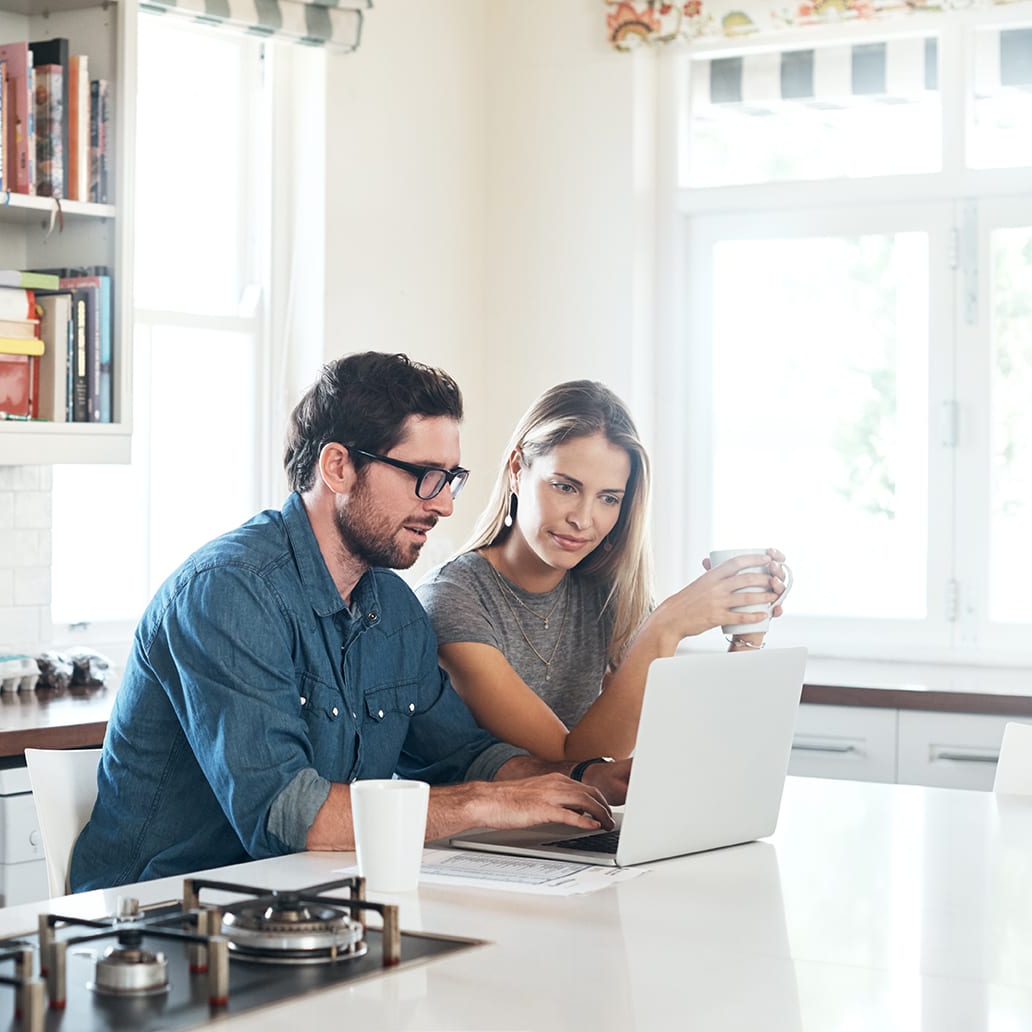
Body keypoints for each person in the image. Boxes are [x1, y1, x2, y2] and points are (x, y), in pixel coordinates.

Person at [69, 353, 622, 891]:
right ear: (338, 467)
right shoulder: (228, 592)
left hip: (305, 904)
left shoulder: (395, 610)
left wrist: (584, 779)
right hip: (156, 918)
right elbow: (288, 816)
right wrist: (484, 803)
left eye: (450, 478)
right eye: (424, 476)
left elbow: (461, 755)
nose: (444, 504)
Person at [416, 380, 788, 764]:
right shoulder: (452, 598)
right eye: (565, 487)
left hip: (578, 822)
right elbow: (572, 760)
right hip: (482, 823)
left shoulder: (606, 594)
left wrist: (747, 628)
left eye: (608, 498)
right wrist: (665, 627)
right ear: (517, 470)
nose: (582, 519)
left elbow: (680, 745)